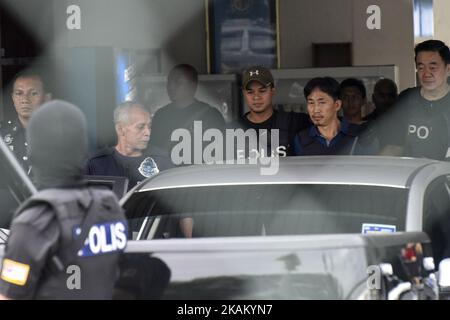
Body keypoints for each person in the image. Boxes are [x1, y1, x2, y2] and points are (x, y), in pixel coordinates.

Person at [0, 100, 127, 299]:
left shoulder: (33, 223)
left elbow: (9, 296)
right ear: (83, 150)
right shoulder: (109, 205)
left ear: (33, 153)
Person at [380, 40, 450, 159]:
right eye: (421, 67)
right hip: (413, 174)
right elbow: (393, 146)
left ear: (448, 69)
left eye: (433, 67)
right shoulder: (407, 100)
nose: (426, 74)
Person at [148, 64, 225, 165]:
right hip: (167, 175)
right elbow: (152, 151)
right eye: (169, 82)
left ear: (193, 86)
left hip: (200, 175)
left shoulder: (211, 116)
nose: (171, 87)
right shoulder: (160, 115)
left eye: (178, 82)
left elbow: (221, 153)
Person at [85, 102, 170, 190]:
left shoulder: (162, 160)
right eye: (141, 127)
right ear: (120, 129)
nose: (148, 133)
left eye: (149, 127)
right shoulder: (96, 163)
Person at [238, 65, 310, 157]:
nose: (256, 97)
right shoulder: (232, 130)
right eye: (250, 92)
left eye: (262, 91)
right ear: (244, 94)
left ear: (273, 91)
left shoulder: (295, 122)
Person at [293, 77, 378, 156]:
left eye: (322, 102)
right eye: (311, 103)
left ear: (337, 105)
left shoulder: (360, 135)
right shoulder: (302, 139)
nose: (316, 110)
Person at [0, 70, 52, 173]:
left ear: (47, 98)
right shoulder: (2, 135)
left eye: (33, 93)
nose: (25, 99)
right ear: (13, 98)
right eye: (19, 93)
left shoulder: (59, 135)